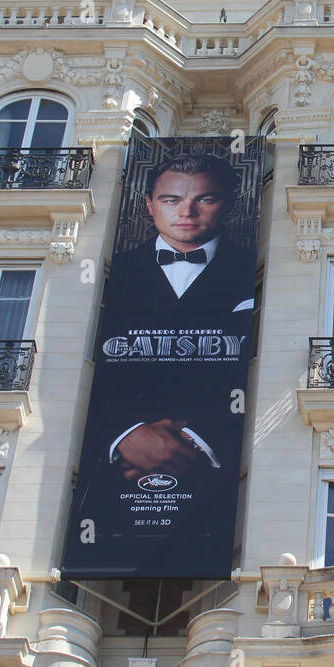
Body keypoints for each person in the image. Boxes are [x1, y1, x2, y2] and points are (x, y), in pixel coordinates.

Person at [103, 151, 255, 481]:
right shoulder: (110, 274)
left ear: (227, 203)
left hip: (225, 471)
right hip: (108, 468)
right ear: (149, 204)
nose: (187, 212)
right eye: (171, 199)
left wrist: (200, 442)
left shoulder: (255, 269)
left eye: (207, 199)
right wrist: (124, 435)